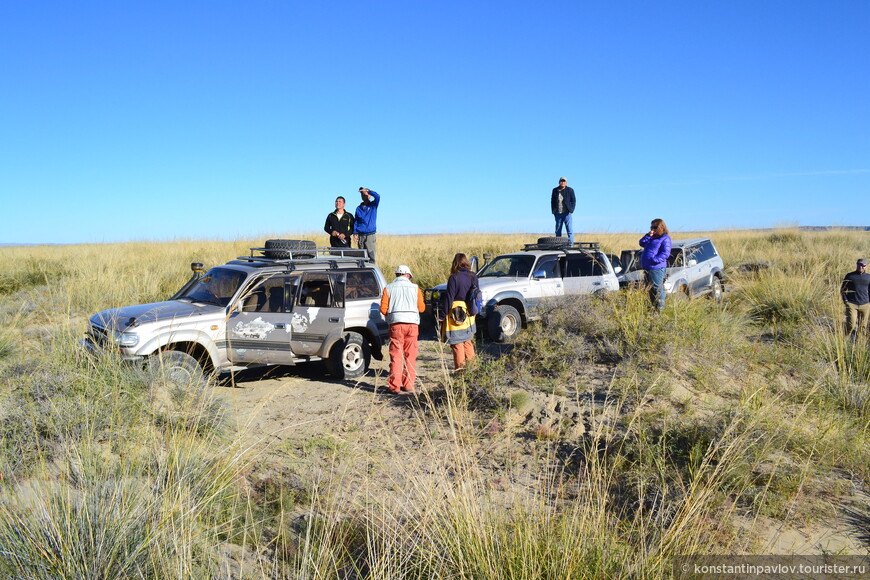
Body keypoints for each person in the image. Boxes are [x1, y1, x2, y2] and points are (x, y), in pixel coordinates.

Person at [379, 265, 425, 393]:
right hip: (412, 325)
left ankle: (394, 387)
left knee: (396, 356)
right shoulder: (416, 288)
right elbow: (421, 308)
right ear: (408, 275)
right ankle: (409, 385)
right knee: (410, 355)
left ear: (396, 275)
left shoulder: (388, 288)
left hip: (396, 325)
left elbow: (383, 309)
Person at [440, 253, 478, 370]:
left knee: (457, 344)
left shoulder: (454, 277)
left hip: (456, 313)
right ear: (466, 262)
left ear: (455, 263)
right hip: (470, 312)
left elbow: (449, 297)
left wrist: (442, 315)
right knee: (467, 342)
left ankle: (460, 373)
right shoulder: (473, 276)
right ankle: (473, 370)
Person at [639, 218, 672, 310]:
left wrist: (654, 260)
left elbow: (666, 253)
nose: (652, 229)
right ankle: (654, 307)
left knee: (657, 288)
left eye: (655, 227)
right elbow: (641, 243)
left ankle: (660, 308)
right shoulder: (652, 237)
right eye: (651, 226)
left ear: (661, 227)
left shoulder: (665, 238)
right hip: (647, 267)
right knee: (650, 289)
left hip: (656, 267)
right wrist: (648, 235)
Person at [841, 258, 870, 335]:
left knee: (863, 326)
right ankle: (845, 338)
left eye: (863, 265)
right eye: (859, 265)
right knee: (851, 325)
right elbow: (843, 289)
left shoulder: (868, 277)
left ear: (866, 266)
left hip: (865, 305)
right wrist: (846, 301)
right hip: (852, 304)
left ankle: (859, 343)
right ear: (856, 265)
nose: (860, 267)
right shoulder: (850, 276)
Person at [353, 187, 380, 262]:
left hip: (370, 235)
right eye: (362, 194)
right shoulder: (358, 208)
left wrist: (368, 191)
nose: (364, 196)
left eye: (365, 194)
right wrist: (355, 233)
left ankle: (371, 271)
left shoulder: (373, 205)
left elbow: (378, 196)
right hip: (361, 235)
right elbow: (356, 221)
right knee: (361, 257)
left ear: (369, 195)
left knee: (371, 256)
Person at [550, 177, 576, 245]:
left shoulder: (570, 190)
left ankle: (571, 244)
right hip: (558, 213)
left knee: (569, 230)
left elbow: (573, 201)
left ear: (566, 183)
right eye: (561, 181)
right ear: (559, 182)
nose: (563, 183)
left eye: (564, 181)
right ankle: (558, 245)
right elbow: (552, 201)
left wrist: (571, 210)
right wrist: (553, 211)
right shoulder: (555, 190)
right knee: (558, 230)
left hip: (567, 213)